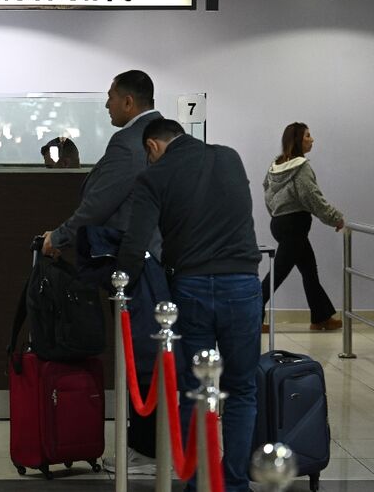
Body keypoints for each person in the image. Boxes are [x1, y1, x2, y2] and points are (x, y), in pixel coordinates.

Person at [117, 118, 262, 492]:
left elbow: (135, 247)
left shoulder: (155, 177)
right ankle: (234, 483)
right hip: (244, 284)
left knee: (193, 390)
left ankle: (198, 479)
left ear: (153, 147)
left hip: (191, 287)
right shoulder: (230, 158)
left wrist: (120, 287)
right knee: (241, 389)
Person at [42, 70, 164, 475]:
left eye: (111, 97)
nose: (107, 104)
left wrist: (58, 236)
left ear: (129, 102)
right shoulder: (167, 137)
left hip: (137, 263)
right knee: (154, 353)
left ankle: (147, 451)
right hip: (162, 260)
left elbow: (98, 203)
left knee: (142, 354)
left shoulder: (129, 143)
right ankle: (155, 445)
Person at [262, 122, 344, 331]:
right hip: (295, 226)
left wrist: (276, 212)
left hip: (280, 223)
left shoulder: (276, 165)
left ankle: (321, 317)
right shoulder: (301, 166)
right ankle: (249, 316)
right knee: (278, 274)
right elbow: (311, 196)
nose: (312, 139)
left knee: (309, 270)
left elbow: (266, 191)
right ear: (298, 140)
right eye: (308, 135)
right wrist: (334, 217)